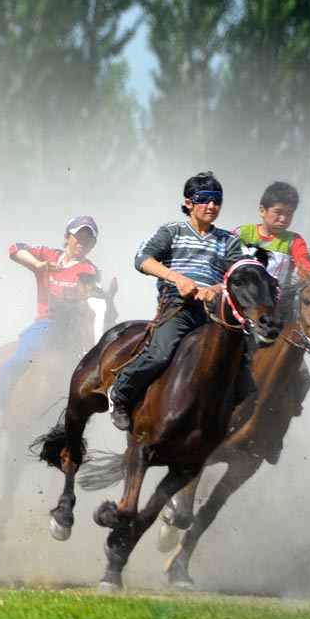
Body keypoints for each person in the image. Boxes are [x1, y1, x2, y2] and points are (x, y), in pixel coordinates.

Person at [108, 171, 247, 431]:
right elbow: (142, 259)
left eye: (217, 200)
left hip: (215, 313)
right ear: (188, 203)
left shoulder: (229, 240)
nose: (212, 206)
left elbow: (238, 276)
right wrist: (177, 278)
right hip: (178, 306)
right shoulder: (172, 230)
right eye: (204, 199)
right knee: (160, 353)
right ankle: (121, 393)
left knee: (245, 373)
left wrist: (217, 288)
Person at [0, 216, 101, 421]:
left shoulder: (88, 269)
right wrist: (38, 264)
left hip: (73, 330)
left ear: (93, 245)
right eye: (78, 236)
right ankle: (0, 412)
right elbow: (14, 248)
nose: (82, 242)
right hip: (45, 324)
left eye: (88, 239)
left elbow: (93, 298)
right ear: (67, 237)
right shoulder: (49, 255)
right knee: (13, 362)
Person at [235, 181, 310, 415]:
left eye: (289, 214)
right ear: (263, 210)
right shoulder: (242, 233)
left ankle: (284, 412)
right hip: (240, 310)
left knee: (301, 373)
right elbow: (224, 256)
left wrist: (307, 273)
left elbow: (303, 262)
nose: (283, 219)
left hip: (273, 316)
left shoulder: (294, 241)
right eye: (278, 212)